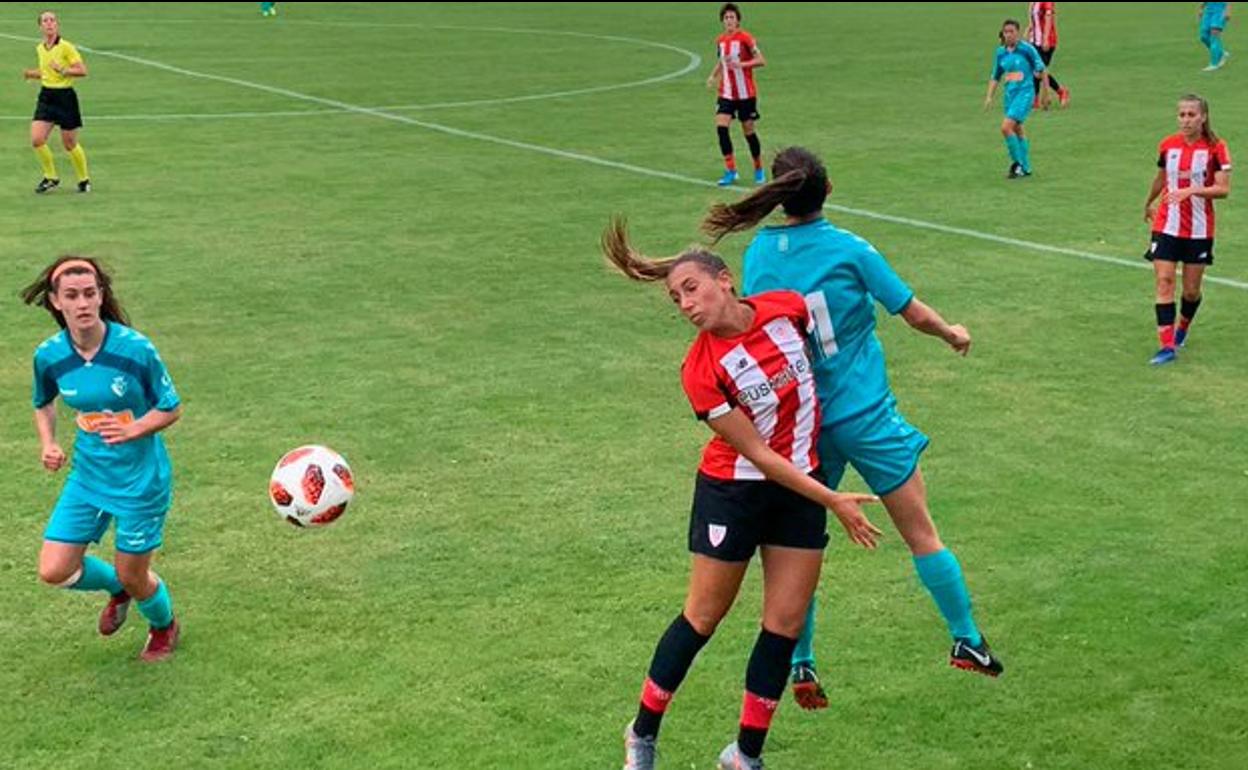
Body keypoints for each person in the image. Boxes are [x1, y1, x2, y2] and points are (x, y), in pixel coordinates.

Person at [701, 146, 1003, 710]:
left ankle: (801, 659)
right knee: (921, 533)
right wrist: (952, 333)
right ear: (828, 189)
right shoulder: (850, 249)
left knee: (800, 546)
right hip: (865, 416)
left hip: (801, 426)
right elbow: (912, 313)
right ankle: (966, 639)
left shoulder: (759, 253)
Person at [602, 221, 881, 769]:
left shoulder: (786, 309)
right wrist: (833, 499)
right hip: (735, 492)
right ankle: (641, 732)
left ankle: (743, 756)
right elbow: (758, 454)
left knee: (784, 625)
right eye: (675, 297)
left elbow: (834, 347)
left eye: (690, 288)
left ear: (725, 281)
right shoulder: (700, 370)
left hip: (800, 489)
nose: (684, 304)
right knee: (703, 618)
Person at [21, 256, 183, 662]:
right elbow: (43, 402)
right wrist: (48, 443)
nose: (82, 303)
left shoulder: (135, 349)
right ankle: (116, 589)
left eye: (90, 294)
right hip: (88, 478)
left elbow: (171, 406)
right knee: (54, 570)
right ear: (56, 302)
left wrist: (135, 428)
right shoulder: (50, 356)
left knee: (135, 573)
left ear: (101, 296)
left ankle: (164, 625)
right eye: (72, 296)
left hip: (140, 482)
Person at [1142, 94, 1232, 365]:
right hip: (1166, 225)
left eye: (1191, 115)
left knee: (1191, 291)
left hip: (1199, 229)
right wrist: (1148, 203)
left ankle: (1182, 327)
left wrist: (1192, 190)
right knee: (1165, 280)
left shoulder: (1216, 148)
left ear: (1203, 117)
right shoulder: (1168, 145)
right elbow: (1161, 178)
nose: (1186, 120)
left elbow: (1223, 189)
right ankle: (1167, 346)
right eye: (1182, 114)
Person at [22, 10, 91, 194]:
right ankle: (51, 177)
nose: (49, 23)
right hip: (46, 97)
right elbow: (46, 73)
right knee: (37, 139)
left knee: (69, 143)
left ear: (57, 25)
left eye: (52, 20)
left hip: (65, 98)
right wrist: (32, 74)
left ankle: (84, 179)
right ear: (40, 26)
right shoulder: (40, 48)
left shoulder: (66, 47)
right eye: (45, 21)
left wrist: (63, 70)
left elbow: (83, 70)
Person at [706, 3, 767, 187]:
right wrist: (713, 75)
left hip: (745, 94)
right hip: (726, 93)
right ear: (722, 21)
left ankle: (758, 169)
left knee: (748, 131)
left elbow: (762, 60)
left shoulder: (746, 38)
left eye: (732, 17)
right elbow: (721, 62)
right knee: (721, 128)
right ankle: (731, 170)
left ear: (738, 20)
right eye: (726, 18)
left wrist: (742, 65)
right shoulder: (720, 41)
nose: (729, 20)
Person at [983, 19, 1049, 179]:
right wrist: (989, 96)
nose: (1008, 35)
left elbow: (1042, 69)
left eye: (1012, 31)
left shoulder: (1027, 49)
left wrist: (1045, 94)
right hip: (1010, 95)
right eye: (1006, 32)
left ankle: (1016, 164)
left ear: (1017, 33)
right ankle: (1026, 167)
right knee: (1017, 129)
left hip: (1025, 93)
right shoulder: (1000, 53)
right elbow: (995, 75)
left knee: (1006, 128)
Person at [1025, 2, 1070, 107]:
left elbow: (1049, 19)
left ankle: (1061, 91)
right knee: (1035, 69)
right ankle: (1035, 100)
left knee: (1039, 71)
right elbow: (1033, 19)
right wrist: (1028, 30)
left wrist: (1045, 39)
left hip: (1047, 42)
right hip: (1034, 41)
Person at [1199, 2, 1231, 70]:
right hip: (1208, 12)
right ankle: (1221, 53)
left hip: (1220, 12)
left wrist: (1227, 11)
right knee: (1203, 37)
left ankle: (1214, 64)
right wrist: (1201, 8)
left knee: (1214, 36)